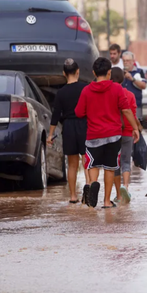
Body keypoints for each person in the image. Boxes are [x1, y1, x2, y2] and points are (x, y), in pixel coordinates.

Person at [75, 57, 140, 208]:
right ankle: (106, 202)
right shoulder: (117, 89)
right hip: (113, 136)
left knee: (92, 165)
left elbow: (78, 112)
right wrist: (135, 128)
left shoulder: (86, 91)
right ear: (109, 73)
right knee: (110, 167)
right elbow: (126, 110)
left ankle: (93, 184)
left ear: (93, 72)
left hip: (93, 135)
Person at [47, 59, 88, 204]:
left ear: (64, 73)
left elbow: (55, 115)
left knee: (72, 164)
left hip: (69, 127)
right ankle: (88, 190)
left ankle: (72, 196)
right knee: (86, 160)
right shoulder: (85, 88)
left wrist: (50, 135)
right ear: (78, 71)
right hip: (84, 125)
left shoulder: (61, 93)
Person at [110, 67, 141, 204]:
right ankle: (126, 187)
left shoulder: (109, 94)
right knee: (126, 162)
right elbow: (132, 114)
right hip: (128, 131)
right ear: (123, 79)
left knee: (115, 164)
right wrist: (136, 129)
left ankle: (118, 194)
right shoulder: (130, 95)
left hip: (113, 132)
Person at [122, 51, 147, 120]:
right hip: (123, 106)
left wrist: (132, 79)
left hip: (136, 105)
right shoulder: (120, 72)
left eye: (128, 60)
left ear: (133, 61)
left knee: (137, 124)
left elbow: (143, 86)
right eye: (124, 61)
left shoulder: (139, 71)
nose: (125, 62)